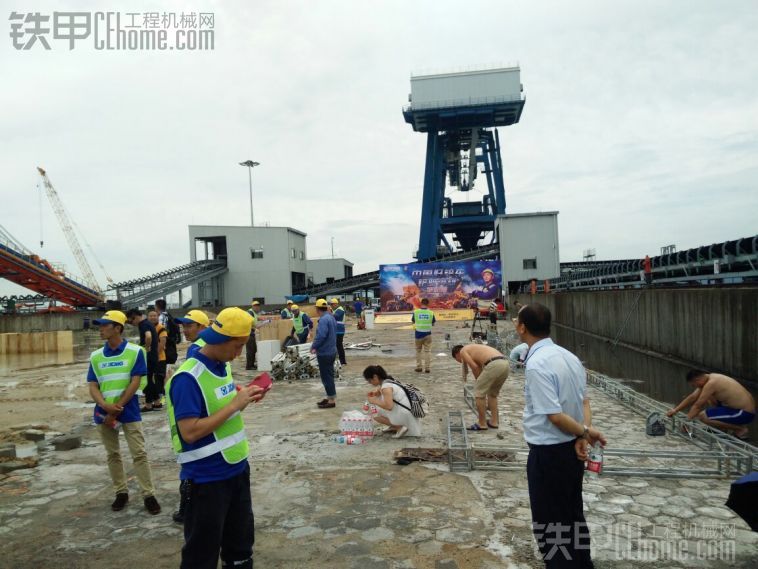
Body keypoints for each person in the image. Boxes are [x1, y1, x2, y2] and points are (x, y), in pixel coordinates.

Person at [165, 307, 266, 569]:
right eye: (238, 346)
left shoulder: (221, 366)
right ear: (221, 340)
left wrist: (244, 393)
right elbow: (190, 432)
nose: (240, 353)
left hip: (236, 470)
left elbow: (219, 396)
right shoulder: (187, 378)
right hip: (206, 481)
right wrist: (235, 405)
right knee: (202, 555)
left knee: (240, 549)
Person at [517, 302, 606, 568]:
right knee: (572, 514)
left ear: (522, 328)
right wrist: (580, 436)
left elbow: (554, 415)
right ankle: (582, 563)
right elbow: (584, 403)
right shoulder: (569, 356)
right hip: (570, 449)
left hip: (549, 454)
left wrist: (586, 433)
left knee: (549, 521)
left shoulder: (537, 365)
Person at [87, 310, 161, 515]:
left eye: (104, 325)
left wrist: (117, 406)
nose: (100, 329)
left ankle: (149, 494)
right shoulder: (96, 356)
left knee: (139, 453)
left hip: (128, 411)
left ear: (117, 328)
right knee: (113, 454)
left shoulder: (135, 351)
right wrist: (105, 406)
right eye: (100, 325)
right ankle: (121, 492)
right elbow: (93, 385)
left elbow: (136, 381)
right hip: (103, 412)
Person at [667, 370, 755, 439]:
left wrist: (686, 423)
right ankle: (722, 428)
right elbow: (693, 397)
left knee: (703, 416)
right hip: (739, 410)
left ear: (697, 380)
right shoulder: (711, 377)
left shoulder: (712, 383)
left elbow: (697, 405)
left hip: (744, 413)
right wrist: (675, 410)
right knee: (711, 399)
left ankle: (741, 430)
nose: (695, 387)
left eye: (694, 385)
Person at [452, 343, 510, 431]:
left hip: (493, 364)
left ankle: (482, 423)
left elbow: (474, 367)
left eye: (457, 360)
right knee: (492, 394)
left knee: (479, 393)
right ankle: (494, 422)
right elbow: (479, 367)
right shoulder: (474, 348)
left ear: (457, 354)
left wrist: (479, 383)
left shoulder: (463, 351)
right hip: (505, 363)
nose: (460, 362)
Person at [363, 365, 421, 439]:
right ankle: (393, 426)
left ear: (375, 377)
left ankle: (399, 427)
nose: (370, 383)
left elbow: (389, 406)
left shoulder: (386, 387)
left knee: (374, 413)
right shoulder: (388, 380)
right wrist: (376, 393)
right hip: (408, 411)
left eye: (369, 380)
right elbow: (383, 392)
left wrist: (374, 401)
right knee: (378, 406)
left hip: (405, 413)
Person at [126, 308, 159, 411]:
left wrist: (146, 347)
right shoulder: (148, 323)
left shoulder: (143, 325)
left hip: (148, 357)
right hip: (153, 356)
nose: (132, 323)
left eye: (131, 321)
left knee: (147, 380)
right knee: (150, 379)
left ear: (135, 317)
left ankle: (149, 404)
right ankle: (157, 402)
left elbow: (148, 336)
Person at [311, 298, 337, 409]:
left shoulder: (323, 320)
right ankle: (329, 397)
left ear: (317, 309)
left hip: (325, 352)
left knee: (327, 377)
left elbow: (321, 336)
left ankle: (331, 400)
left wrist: (314, 346)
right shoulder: (331, 317)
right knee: (328, 375)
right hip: (331, 350)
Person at [147, 310, 168, 409]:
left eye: (154, 316)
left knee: (159, 379)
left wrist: (154, 355)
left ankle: (161, 398)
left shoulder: (161, 328)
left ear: (158, 316)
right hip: (151, 358)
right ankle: (154, 400)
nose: (153, 317)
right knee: (151, 379)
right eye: (151, 316)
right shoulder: (147, 328)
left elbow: (162, 343)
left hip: (160, 358)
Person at [411, 298, 436, 373]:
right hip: (428, 334)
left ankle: (419, 367)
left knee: (418, 351)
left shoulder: (416, 312)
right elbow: (433, 323)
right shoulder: (431, 313)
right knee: (427, 351)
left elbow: (413, 321)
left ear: (421, 303)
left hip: (418, 334)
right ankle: (427, 368)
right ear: (428, 304)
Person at [330, 298, 347, 365]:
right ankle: (339, 360)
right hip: (336, 330)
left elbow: (336, 317)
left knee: (339, 345)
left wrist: (329, 312)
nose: (331, 306)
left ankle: (343, 361)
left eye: (332, 305)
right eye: (331, 305)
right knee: (337, 345)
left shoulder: (340, 309)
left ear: (336, 304)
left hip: (339, 331)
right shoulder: (336, 310)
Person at [245, 300, 261, 370]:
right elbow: (248, 323)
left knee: (253, 349)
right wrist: (255, 327)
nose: (257, 308)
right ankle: (249, 366)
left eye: (258, 306)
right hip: (249, 333)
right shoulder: (250, 312)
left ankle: (251, 365)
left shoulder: (254, 313)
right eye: (255, 306)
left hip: (252, 333)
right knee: (250, 350)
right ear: (252, 306)